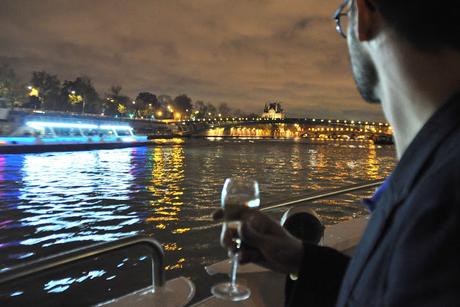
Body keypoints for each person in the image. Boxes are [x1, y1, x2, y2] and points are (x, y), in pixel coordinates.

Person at [214, 0, 460, 306]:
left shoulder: (439, 204)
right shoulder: (433, 171)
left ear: (364, 16)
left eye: (343, 16)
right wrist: (303, 260)